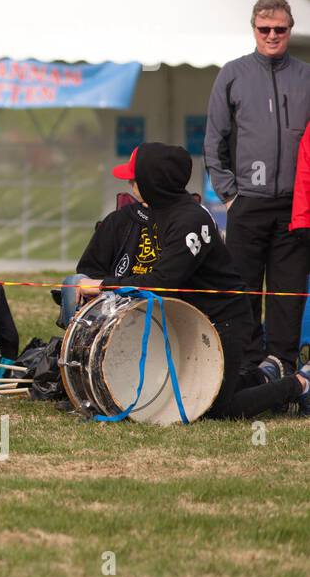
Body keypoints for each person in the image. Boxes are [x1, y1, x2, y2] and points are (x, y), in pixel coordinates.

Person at [79, 143, 308, 419]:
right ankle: (265, 376)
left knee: (216, 409)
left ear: (155, 182)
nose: (129, 181)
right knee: (194, 395)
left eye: (135, 177)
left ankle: (299, 384)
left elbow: (162, 282)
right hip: (188, 319)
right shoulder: (156, 212)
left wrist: (103, 285)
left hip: (223, 320)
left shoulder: (192, 220)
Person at [204, 0, 310, 381]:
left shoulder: (305, 76)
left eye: (279, 29)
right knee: (243, 289)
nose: (272, 35)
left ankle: (282, 366)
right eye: (264, 29)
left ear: (289, 30)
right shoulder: (232, 74)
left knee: (288, 292)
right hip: (247, 203)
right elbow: (214, 138)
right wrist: (229, 195)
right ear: (253, 30)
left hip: (294, 208)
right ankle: (245, 366)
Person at [55, 147, 159, 328]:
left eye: (133, 179)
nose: (129, 182)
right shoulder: (117, 220)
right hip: (114, 296)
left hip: (160, 297)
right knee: (73, 282)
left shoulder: (180, 221)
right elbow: (90, 268)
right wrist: (105, 286)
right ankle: (77, 346)